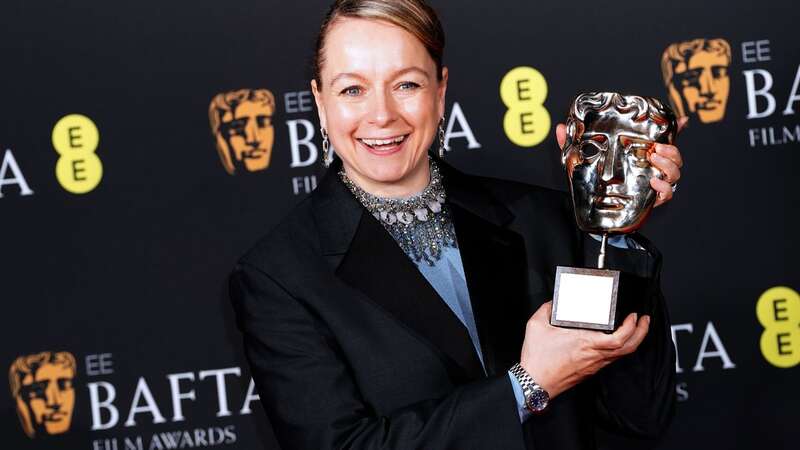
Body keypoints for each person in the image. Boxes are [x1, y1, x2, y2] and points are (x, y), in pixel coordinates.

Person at [229, 1, 684, 449]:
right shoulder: (278, 276)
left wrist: (617, 226)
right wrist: (525, 387)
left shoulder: (543, 219)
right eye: (353, 90)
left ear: (441, 91)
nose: (382, 114)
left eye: (406, 84)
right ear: (320, 101)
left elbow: (639, 413)